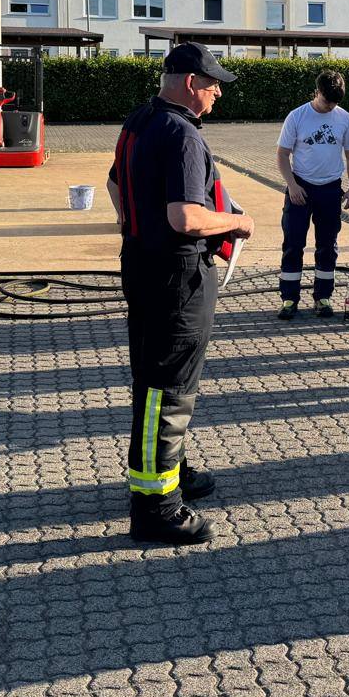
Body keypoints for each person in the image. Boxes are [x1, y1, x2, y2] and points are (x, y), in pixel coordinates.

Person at [107, 42, 253, 545]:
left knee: (155, 378)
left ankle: (173, 470)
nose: (217, 95)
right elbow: (186, 217)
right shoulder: (184, 134)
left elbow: (112, 184)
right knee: (167, 389)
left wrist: (132, 225)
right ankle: (155, 506)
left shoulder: (140, 120)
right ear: (190, 83)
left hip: (142, 264)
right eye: (213, 85)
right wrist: (239, 221)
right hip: (177, 276)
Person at [275, 70, 349, 320]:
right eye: (326, 101)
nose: (330, 106)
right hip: (300, 188)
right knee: (293, 244)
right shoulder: (297, 116)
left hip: (331, 189)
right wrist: (292, 185)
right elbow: (282, 154)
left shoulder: (344, 118)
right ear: (317, 92)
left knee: (327, 246)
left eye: (335, 102)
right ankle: (289, 299)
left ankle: (323, 297)